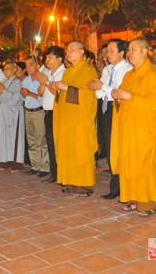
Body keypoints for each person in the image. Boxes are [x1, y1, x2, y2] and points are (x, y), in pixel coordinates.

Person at [110, 38, 156, 217]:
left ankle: (149, 203)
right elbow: (123, 96)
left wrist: (130, 97)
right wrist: (118, 96)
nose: (129, 53)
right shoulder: (129, 74)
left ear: (144, 51)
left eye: (133, 49)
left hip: (143, 129)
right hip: (128, 127)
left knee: (144, 166)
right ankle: (132, 198)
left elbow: (154, 103)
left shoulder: (153, 74)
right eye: (129, 50)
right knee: (129, 164)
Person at [87, 39, 132, 199]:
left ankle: (122, 185)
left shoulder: (128, 69)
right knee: (109, 146)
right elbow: (101, 93)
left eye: (112, 51)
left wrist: (103, 87)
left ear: (122, 53)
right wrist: (100, 88)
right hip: (106, 110)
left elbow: (118, 91)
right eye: (107, 51)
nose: (108, 54)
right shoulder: (106, 70)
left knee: (119, 148)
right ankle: (115, 185)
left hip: (120, 109)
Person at [54, 41, 98, 197]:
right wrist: (58, 89)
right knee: (68, 150)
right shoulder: (68, 71)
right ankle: (71, 181)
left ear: (81, 52)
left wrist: (66, 88)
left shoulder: (88, 70)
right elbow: (63, 94)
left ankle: (83, 184)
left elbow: (88, 95)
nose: (68, 52)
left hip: (79, 119)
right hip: (67, 119)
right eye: (67, 50)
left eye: (72, 50)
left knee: (80, 149)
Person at [36, 46, 66, 183]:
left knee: (58, 144)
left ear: (59, 59)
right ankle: (54, 172)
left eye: (50, 57)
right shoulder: (48, 73)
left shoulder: (63, 73)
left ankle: (60, 173)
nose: (46, 60)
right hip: (48, 112)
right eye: (46, 57)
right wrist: (43, 82)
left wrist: (46, 82)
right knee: (50, 143)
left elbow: (58, 94)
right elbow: (41, 92)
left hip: (58, 113)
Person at [21, 56, 49, 177]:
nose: (28, 68)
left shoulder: (42, 78)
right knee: (31, 139)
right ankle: (35, 165)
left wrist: (29, 93)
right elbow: (24, 97)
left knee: (41, 140)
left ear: (38, 65)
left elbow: (42, 97)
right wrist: (23, 94)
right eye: (26, 65)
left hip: (38, 111)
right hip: (28, 111)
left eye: (31, 64)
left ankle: (45, 167)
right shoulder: (26, 80)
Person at [0, 62, 25, 171]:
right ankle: (5, 160)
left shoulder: (17, 82)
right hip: (3, 113)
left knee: (13, 138)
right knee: (3, 137)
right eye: (4, 69)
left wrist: (3, 90)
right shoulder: (4, 82)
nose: (5, 71)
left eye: (8, 69)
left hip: (13, 113)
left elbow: (15, 98)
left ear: (14, 70)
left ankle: (16, 162)